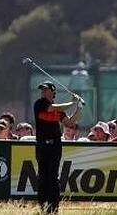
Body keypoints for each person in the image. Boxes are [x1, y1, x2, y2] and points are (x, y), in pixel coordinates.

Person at [33, 81, 81, 214]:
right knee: (43, 176)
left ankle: (53, 208)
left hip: (55, 145)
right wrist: (72, 103)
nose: (42, 92)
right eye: (42, 89)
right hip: (42, 144)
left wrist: (79, 108)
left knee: (53, 177)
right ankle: (43, 206)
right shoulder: (40, 104)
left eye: (45, 89)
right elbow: (54, 108)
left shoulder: (58, 110)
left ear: (52, 91)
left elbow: (69, 122)